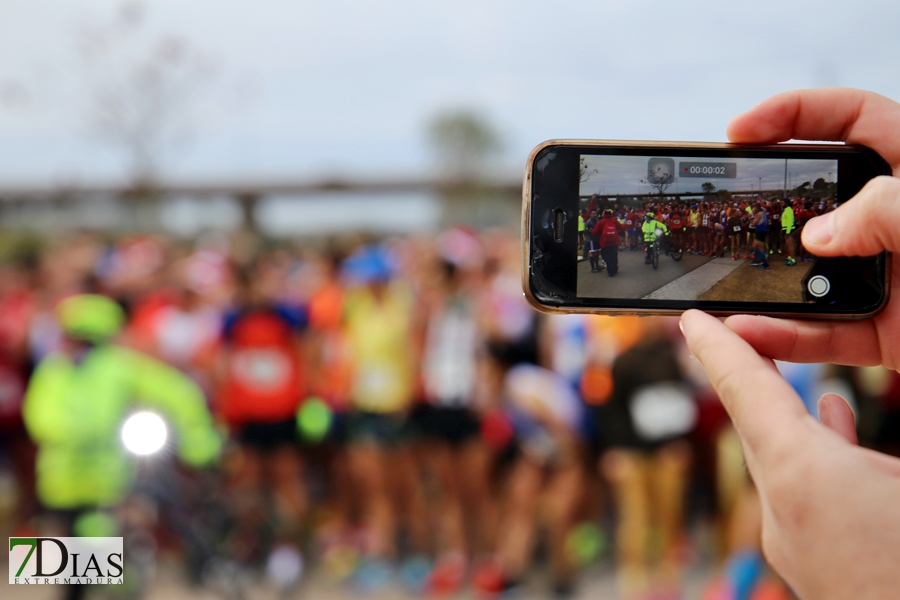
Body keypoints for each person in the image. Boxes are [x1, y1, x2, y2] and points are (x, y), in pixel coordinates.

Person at [680, 88, 900, 600]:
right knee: (751, 499)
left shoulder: (813, 343)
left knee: (771, 506)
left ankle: (757, 582)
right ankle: (739, 577)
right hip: (781, 428)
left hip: (811, 422)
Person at [593, 209, 624, 276]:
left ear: (604, 214)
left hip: (605, 243)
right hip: (614, 242)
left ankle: (610, 271)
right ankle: (615, 268)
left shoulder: (601, 222)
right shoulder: (614, 221)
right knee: (614, 256)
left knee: (606, 256)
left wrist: (592, 231)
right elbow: (621, 227)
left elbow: (596, 232)